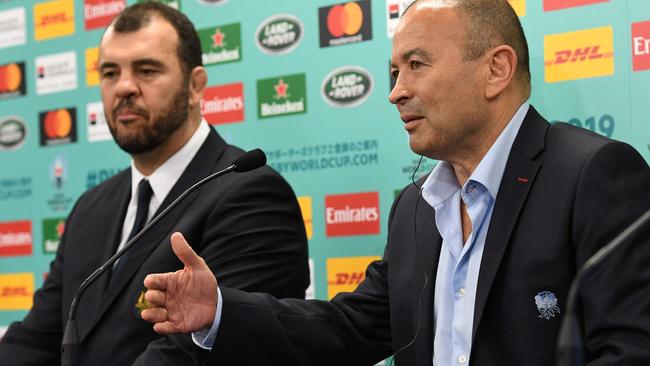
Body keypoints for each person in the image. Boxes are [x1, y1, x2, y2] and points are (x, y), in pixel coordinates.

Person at [140, 0, 650, 365]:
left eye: (416, 66)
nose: (396, 92)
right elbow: (350, 330)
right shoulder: (415, 208)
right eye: (392, 72)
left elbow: (633, 348)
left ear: (496, 70)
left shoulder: (593, 174)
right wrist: (221, 311)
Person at [0, 2, 309, 365]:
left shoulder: (252, 196)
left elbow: (194, 355)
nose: (125, 87)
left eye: (146, 70)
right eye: (110, 73)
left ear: (196, 86)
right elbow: (37, 340)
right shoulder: (90, 207)